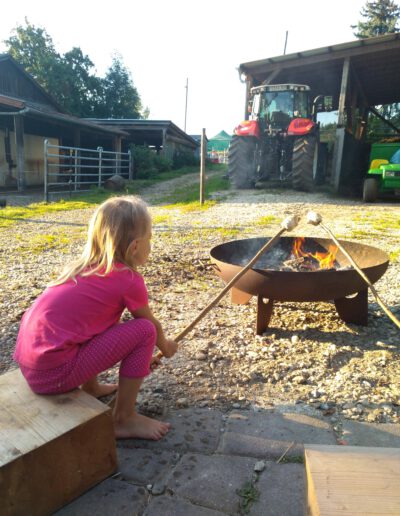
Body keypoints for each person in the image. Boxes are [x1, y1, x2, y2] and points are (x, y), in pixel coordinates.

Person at [13, 195, 178, 440]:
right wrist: (166, 346)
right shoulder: (129, 280)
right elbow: (150, 325)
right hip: (53, 376)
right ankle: (123, 419)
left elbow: (99, 327)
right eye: (150, 240)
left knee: (101, 324)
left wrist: (141, 361)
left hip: (31, 366)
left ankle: (90, 387)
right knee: (144, 331)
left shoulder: (82, 269)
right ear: (135, 247)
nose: (151, 246)